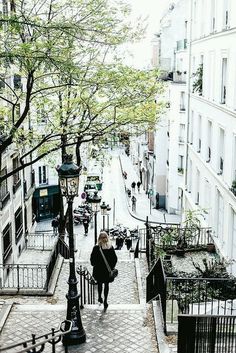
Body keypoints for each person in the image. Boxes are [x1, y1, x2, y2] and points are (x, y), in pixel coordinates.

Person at [90, 231, 117, 310]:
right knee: (106, 285)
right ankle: (105, 300)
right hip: (107, 271)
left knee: (99, 284)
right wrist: (111, 267)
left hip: (98, 270)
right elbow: (115, 259)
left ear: (99, 239)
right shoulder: (110, 247)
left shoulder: (96, 248)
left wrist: (95, 264)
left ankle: (99, 297)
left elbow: (92, 259)